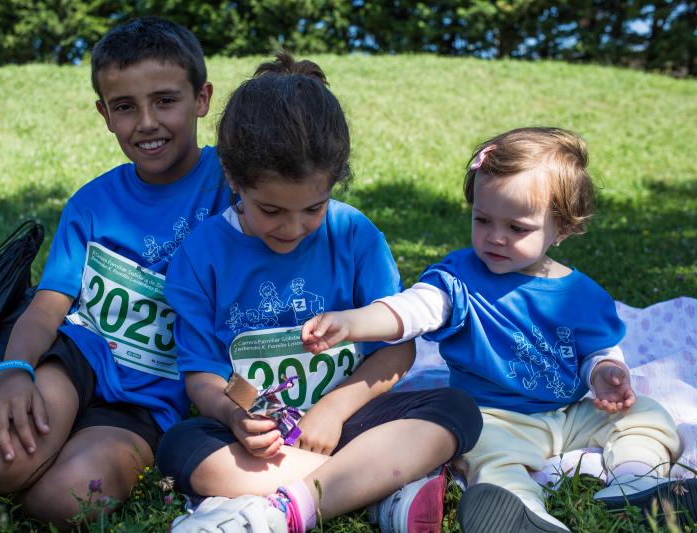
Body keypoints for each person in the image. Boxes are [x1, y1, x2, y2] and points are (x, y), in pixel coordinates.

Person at [301, 127, 697, 532]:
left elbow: (598, 350)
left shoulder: (581, 295)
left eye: (517, 228)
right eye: (483, 220)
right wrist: (354, 322)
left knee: (646, 415)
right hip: (490, 415)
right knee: (487, 455)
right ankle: (521, 513)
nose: (495, 238)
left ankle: (636, 480)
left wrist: (605, 372)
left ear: (563, 228)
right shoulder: (461, 277)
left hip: (568, 414)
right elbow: (414, 309)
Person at [157, 52, 483, 533]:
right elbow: (203, 376)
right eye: (270, 210)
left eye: (313, 208)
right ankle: (382, 486)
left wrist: (332, 410)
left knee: (456, 410)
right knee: (180, 448)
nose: (293, 228)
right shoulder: (201, 256)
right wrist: (235, 417)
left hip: (352, 421)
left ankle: (288, 505)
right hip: (264, 442)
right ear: (231, 175)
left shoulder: (356, 236)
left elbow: (396, 352)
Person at [0, 16, 230, 528]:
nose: (147, 122)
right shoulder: (92, 204)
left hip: (151, 403)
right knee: (10, 458)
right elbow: (48, 307)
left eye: (166, 100)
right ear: (104, 115)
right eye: (125, 107)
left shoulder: (234, 181)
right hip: (77, 359)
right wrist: (15, 372)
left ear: (202, 98)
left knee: (67, 500)